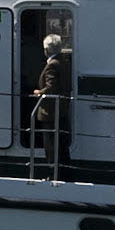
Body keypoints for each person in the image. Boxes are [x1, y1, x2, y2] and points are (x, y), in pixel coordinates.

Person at [28, 32, 71, 163]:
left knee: (51, 145)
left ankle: (53, 172)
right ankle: (63, 172)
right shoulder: (63, 61)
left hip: (50, 112)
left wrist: (39, 92)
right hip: (61, 110)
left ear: (46, 49)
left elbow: (51, 86)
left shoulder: (52, 64)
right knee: (62, 145)